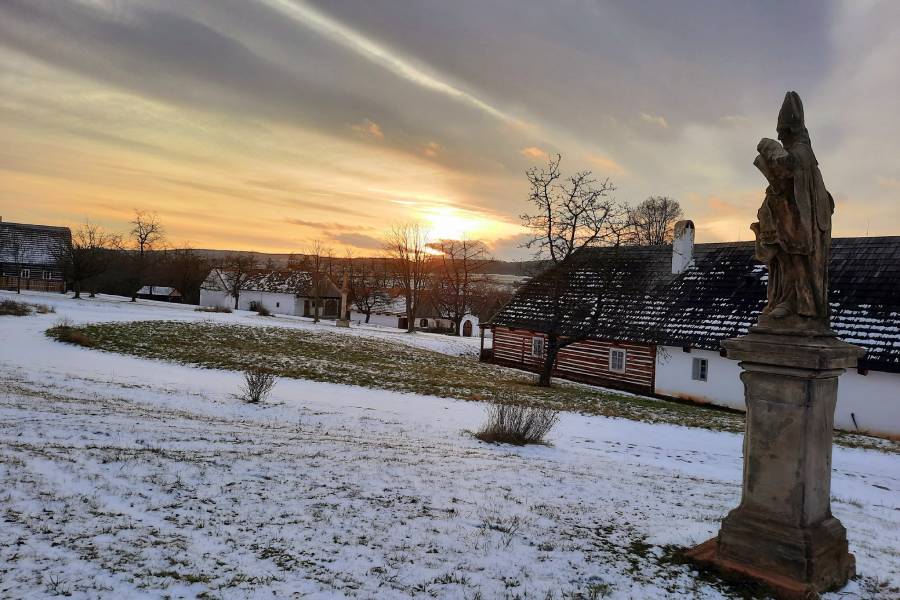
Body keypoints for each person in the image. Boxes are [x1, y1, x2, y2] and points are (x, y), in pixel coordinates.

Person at [751, 91, 834, 330]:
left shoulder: (803, 153)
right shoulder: (799, 153)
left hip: (801, 224)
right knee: (783, 260)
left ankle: (800, 304)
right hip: (786, 221)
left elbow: (790, 169)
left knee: (797, 260)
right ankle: (787, 300)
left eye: (782, 132)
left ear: (790, 130)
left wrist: (770, 149)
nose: (780, 135)